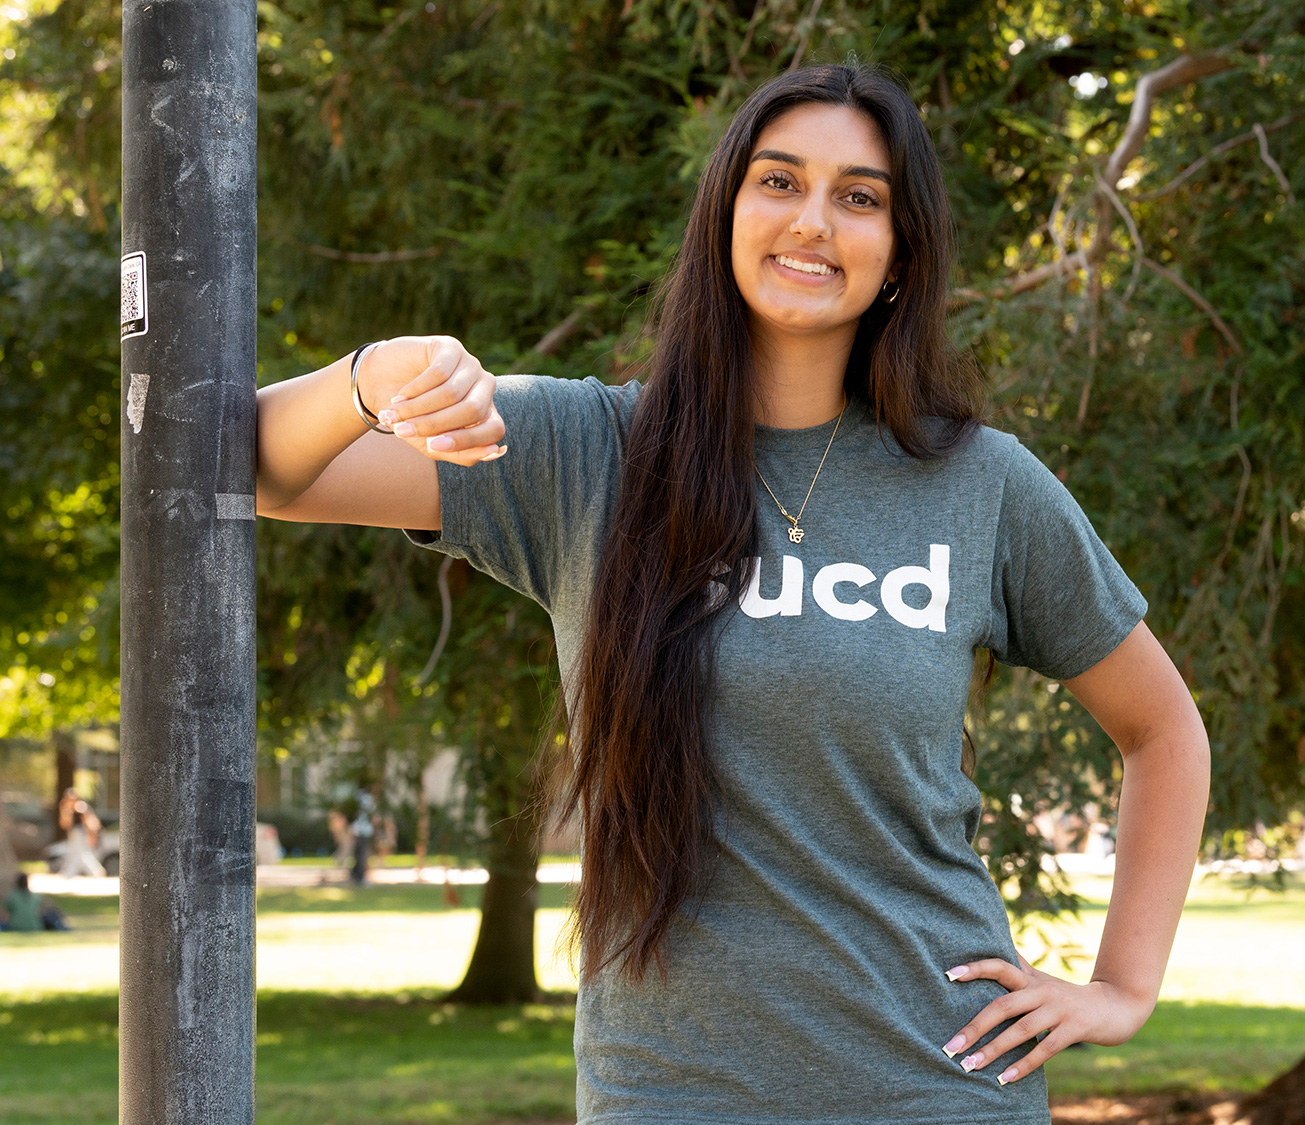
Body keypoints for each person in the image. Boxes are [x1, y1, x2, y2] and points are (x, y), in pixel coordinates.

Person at [253, 64, 1210, 1125]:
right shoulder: (586, 454)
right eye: (778, 181)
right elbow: (241, 466)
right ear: (725, 214)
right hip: (670, 1092)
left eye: (859, 197)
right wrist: (366, 378)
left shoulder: (982, 486)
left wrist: (1122, 988)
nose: (812, 220)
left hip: (938, 1085)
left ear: (898, 256)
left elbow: (1162, 729)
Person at [54, 789, 106, 878]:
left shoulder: (81, 807)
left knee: (83, 855)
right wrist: (65, 811)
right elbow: (64, 825)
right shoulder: (67, 810)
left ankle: (95, 871)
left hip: (81, 834)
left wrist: (92, 836)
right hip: (73, 834)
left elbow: (90, 823)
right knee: (75, 855)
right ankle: (68, 873)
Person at [350, 792, 375, 886]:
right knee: (362, 855)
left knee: (360, 855)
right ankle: (360, 876)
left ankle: (356, 874)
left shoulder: (359, 798)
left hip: (361, 832)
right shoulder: (365, 800)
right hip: (361, 832)